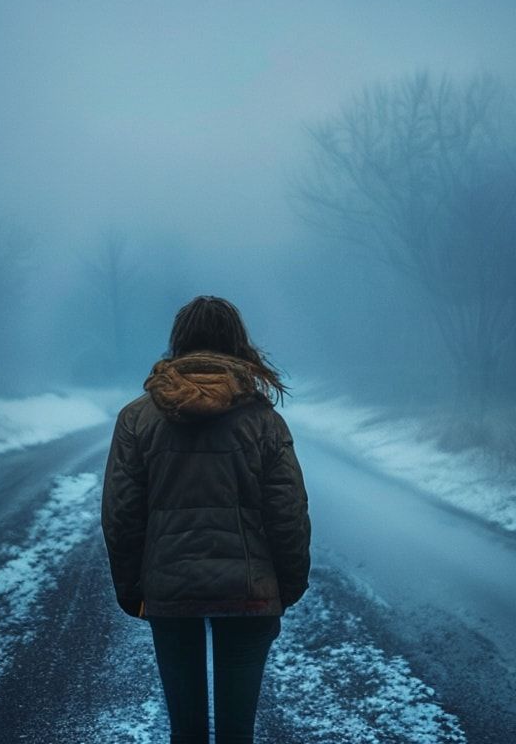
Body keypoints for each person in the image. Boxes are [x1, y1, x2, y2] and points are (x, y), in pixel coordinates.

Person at [102, 295, 312, 744]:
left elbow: (121, 514)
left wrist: (133, 590)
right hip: (250, 594)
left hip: (169, 591)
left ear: (178, 343)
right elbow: (288, 513)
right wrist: (286, 586)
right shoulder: (263, 420)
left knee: (187, 732)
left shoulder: (137, 418)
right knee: (238, 734)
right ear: (238, 343)